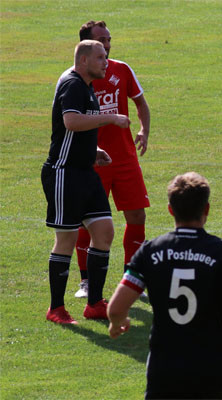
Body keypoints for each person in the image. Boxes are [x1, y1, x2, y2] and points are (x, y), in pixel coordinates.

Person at [107, 172, 222, 399]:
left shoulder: (150, 251)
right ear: (206, 210)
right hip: (210, 361)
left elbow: (116, 308)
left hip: (164, 363)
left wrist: (117, 323)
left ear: (170, 210)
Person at [42, 40, 131, 324]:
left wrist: (93, 152)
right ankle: (56, 309)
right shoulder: (73, 84)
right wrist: (111, 118)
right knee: (66, 239)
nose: (106, 61)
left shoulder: (88, 86)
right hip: (64, 172)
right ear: (83, 61)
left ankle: (94, 303)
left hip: (85, 172)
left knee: (104, 232)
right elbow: (70, 121)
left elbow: (74, 128)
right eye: (100, 57)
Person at [66, 20, 151, 298]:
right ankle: (86, 282)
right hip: (92, 161)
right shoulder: (75, 80)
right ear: (85, 48)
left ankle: (133, 279)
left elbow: (140, 102)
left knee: (137, 215)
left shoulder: (121, 69)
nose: (108, 44)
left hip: (125, 159)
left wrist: (143, 130)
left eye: (109, 39)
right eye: (101, 40)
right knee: (87, 222)